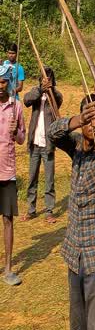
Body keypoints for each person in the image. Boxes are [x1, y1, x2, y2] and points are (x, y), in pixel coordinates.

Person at [49, 89, 95, 330]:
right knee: (77, 323)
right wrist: (77, 120)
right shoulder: (75, 145)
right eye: (90, 120)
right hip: (74, 252)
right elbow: (52, 133)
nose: (93, 125)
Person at [21, 66, 63, 223]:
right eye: (44, 79)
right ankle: (31, 209)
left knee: (49, 179)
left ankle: (49, 211)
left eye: (49, 79)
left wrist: (50, 90)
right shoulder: (35, 92)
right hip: (34, 143)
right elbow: (26, 100)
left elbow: (58, 101)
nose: (46, 81)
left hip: (48, 144)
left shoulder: (55, 96)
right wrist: (40, 89)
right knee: (32, 177)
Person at [0, 64, 25, 286]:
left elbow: (21, 139)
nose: (0, 86)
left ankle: (8, 268)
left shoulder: (16, 107)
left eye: (3, 82)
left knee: (7, 220)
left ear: (9, 83)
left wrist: (16, 130)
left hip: (7, 172)